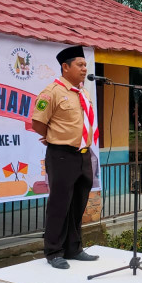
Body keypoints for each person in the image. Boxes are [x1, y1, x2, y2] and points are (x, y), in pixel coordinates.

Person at [31, 45, 99, 269]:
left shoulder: (84, 93)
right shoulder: (51, 92)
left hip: (83, 154)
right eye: (79, 65)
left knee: (78, 203)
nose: (83, 69)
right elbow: (38, 122)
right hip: (62, 155)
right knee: (60, 204)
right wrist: (53, 136)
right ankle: (54, 251)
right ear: (65, 67)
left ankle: (74, 247)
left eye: (85, 65)